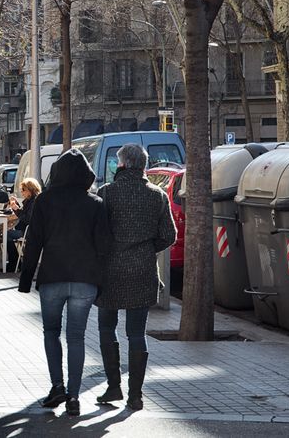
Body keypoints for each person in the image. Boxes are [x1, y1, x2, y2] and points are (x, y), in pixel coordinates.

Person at [18, 149, 111, 417]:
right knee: (77, 338)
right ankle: (73, 396)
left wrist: (25, 280)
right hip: (85, 279)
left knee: (50, 333)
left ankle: (57, 386)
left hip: (52, 277)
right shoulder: (95, 203)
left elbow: (33, 243)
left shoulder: (45, 201)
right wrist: (101, 282)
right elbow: (104, 246)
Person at [94, 143, 176, 411]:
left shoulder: (107, 193)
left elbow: (97, 233)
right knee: (136, 333)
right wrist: (144, 250)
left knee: (107, 327)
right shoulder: (157, 195)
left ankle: (113, 387)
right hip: (143, 270)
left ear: (122, 164)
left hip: (110, 271)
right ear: (143, 165)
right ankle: (136, 395)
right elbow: (169, 235)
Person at [5, 177, 42, 272]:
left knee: (6, 235)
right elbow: (24, 214)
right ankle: (16, 263)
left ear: (30, 189)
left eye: (23, 190)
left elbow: (28, 219)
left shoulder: (34, 202)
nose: (22, 193)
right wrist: (16, 207)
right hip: (28, 230)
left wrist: (16, 209)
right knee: (6, 234)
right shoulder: (32, 200)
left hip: (28, 231)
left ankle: (14, 263)